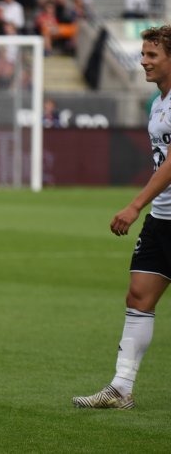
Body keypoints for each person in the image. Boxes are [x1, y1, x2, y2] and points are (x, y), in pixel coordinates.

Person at [72, 26, 171, 410]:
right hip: (163, 218)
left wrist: (135, 205)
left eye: (152, 55)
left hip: (155, 210)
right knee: (138, 297)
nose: (143, 61)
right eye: (143, 54)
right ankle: (121, 388)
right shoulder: (157, 102)